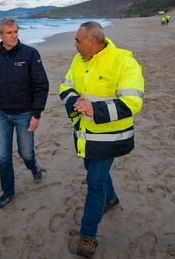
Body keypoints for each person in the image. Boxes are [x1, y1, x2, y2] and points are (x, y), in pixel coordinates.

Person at [59, 21, 144, 258]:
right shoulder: (79, 60)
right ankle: (113, 198)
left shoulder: (124, 61)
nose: (74, 44)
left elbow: (132, 102)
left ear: (93, 41)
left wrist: (94, 109)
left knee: (94, 182)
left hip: (110, 138)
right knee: (95, 172)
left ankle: (88, 236)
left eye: (78, 40)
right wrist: (73, 101)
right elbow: (65, 85)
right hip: (84, 135)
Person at [0, 18, 49, 209]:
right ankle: (8, 193)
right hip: (1, 114)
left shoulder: (30, 54)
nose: (14, 36)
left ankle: (34, 166)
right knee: (3, 156)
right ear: (0, 35)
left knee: (25, 153)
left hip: (25, 114)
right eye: (9, 33)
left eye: (16, 31)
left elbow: (42, 85)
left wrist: (36, 114)